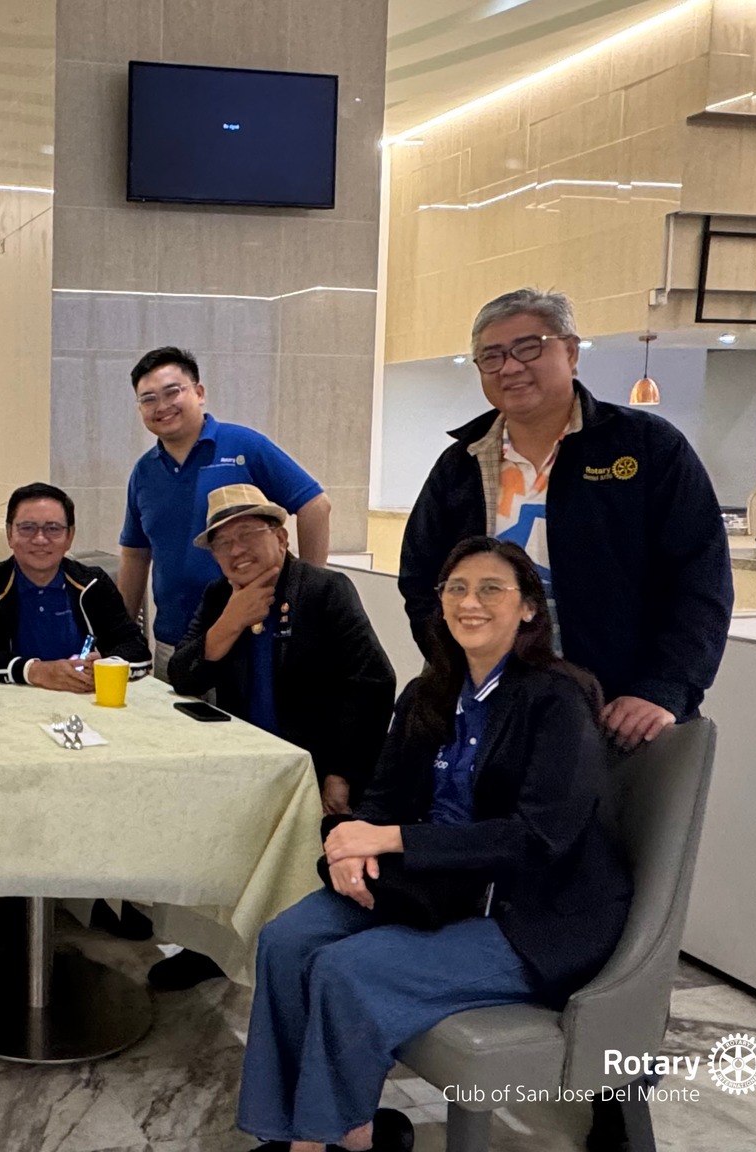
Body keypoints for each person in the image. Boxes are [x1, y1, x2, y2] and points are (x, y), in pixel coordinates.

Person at [238, 537, 631, 1152]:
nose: (470, 602)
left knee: (346, 968)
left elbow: (539, 837)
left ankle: (321, 1140)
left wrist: (389, 837)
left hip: (532, 910)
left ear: (529, 607)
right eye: (457, 589)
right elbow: (382, 795)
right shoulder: (430, 692)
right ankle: (311, 1130)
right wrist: (351, 848)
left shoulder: (558, 697)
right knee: (286, 940)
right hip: (434, 886)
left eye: (491, 589)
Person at [398, 289, 732, 753]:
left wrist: (664, 688)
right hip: (489, 707)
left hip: (616, 711)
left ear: (571, 352)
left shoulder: (646, 447)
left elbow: (700, 576)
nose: (510, 367)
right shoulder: (461, 464)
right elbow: (421, 580)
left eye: (528, 347)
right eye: (492, 356)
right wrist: (457, 668)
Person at [157, 482, 397, 991]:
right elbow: (184, 675)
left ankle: (300, 962)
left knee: (304, 878)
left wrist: (341, 773)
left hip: (317, 766)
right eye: (223, 543)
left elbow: (374, 682)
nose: (236, 550)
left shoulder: (324, 591)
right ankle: (212, 949)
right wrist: (230, 622)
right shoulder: (219, 596)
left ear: (281, 538)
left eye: (248, 534)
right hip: (249, 764)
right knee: (214, 848)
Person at [116, 347, 331, 677]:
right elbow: (135, 555)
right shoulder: (144, 472)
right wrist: (121, 638)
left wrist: (307, 592)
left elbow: (315, 505)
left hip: (253, 637)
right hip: (174, 642)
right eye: (148, 399)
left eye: (172, 392)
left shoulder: (243, 445)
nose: (162, 406)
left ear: (199, 393)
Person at [0, 482, 150, 689]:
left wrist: (107, 665)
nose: (40, 539)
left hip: (84, 698)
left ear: (70, 537)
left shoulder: (93, 584)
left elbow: (135, 647)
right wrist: (35, 671)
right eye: (27, 528)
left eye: (53, 529)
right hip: (9, 700)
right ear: (9, 534)